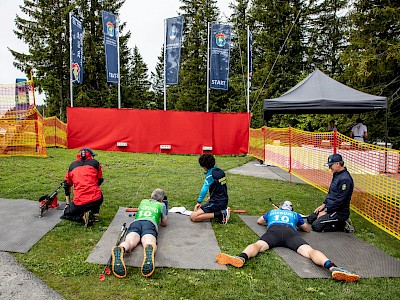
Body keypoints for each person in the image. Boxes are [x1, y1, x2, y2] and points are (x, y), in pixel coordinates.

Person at [216, 201, 360, 282]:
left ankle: (241, 257)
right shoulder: (295, 214)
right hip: (291, 234)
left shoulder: (272, 212)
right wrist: (297, 223)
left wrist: (271, 220)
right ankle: (331, 267)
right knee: (310, 252)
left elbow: (260, 221)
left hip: (274, 231)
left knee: (258, 245)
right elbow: (307, 229)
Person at [111, 188, 167, 278]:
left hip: (136, 223)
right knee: (148, 241)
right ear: (161, 199)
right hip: (149, 223)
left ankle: (122, 248)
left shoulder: (143, 201)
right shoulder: (161, 205)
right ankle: (149, 248)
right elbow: (164, 223)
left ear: (151, 196)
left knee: (130, 241)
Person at [307, 154, 354, 232]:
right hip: (330, 207)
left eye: (331, 165)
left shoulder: (345, 179)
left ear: (337, 164)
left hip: (339, 212)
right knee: (310, 219)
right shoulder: (336, 174)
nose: (329, 167)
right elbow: (331, 192)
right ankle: (329, 220)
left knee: (316, 226)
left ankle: (342, 225)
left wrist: (326, 211)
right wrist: (324, 204)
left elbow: (341, 200)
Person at [61, 148, 104, 226]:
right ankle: (95, 213)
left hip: (79, 202)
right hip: (96, 199)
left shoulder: (72, 166)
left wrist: (68, 204)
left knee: (66, 214)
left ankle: (82, 216)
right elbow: (100, 180)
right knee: (98, 193)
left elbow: (66, 185)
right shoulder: (96, 163)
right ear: (91, 156)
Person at [190, 154, 230, 224]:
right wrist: (211, 196)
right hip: (223, 200)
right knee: (199, 211)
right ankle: (222, 210)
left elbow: (204, 189)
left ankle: (221, 214)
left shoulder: (210, 175)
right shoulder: (220, 171)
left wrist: (199, 202)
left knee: (193, 216)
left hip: (217, 202)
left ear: (204, 166)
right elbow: (221, 186)